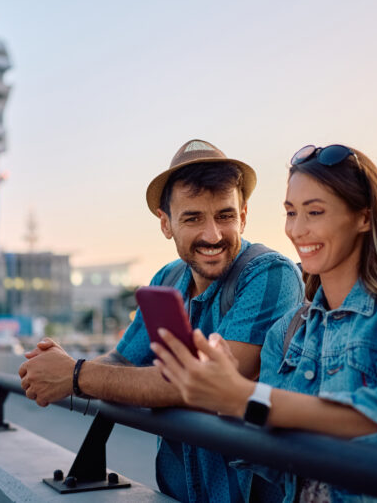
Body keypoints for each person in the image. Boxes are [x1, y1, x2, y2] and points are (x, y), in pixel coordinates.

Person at [152, 144, 377, 502]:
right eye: (291, 212)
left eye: (315, 212)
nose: (297, 230)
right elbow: (274, 464)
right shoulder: (287, 334)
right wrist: (228, 401)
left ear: (364, 217)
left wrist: (248, 396)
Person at [18, 139, 304, 502]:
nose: (212, 235)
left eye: (225, 216)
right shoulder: (167, 279)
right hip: (175, 494)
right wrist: (58, 365)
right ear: (165, 223)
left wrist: (74, 375)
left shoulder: (269, 275)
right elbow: (124, 360)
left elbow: (206, 385)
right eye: (193, 218)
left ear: (244, 215)